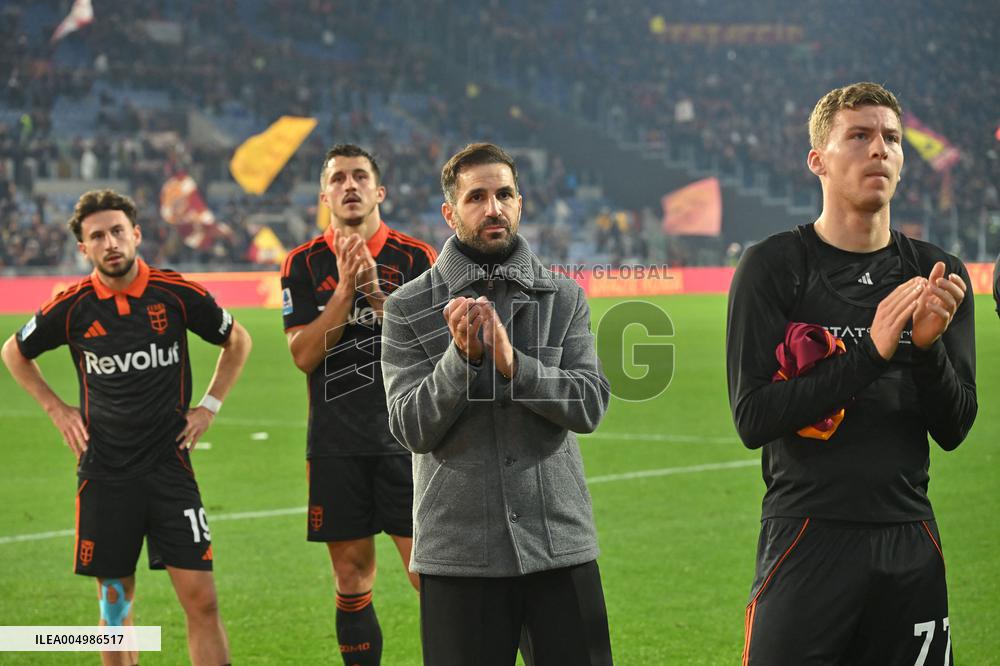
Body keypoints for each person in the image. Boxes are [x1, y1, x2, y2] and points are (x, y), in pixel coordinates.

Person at [726, 82, 977, 665]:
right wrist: (872, 353)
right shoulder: (774, 266)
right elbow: (752, 417)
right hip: (807, 535)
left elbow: (956, 425)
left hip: (910, 538)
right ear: (818, 158)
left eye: (891, 137)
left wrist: (926, 349)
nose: (879, 149)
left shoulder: (936, 274)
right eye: (859, 135)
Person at [381, 142, 614, 665]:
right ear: (449, 212)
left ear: (521, 202)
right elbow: (411, 426)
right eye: (476, 197)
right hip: (459, 555)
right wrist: (460, 361)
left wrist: (515, 366)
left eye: (504, 194)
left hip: (559, 543)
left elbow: (590, 405)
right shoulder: (408, 306)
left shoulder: (564, 296)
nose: (494, 208)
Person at [1, 189, 252, 666]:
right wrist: (57, 409)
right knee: (115, 613)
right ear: (83, 249)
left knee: (202, 600)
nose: (110, 242)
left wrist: (209, 407)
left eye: (118, 231)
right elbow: (14, 351)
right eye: (97, 236)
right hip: (105, 477)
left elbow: (237, 339)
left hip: (169, 472)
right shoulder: (71, 306)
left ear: (136, 234)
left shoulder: (177, 294)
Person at [280, 144, 436, 665]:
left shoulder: (416, 259)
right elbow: (303, 355)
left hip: (406, 440)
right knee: (351, 577)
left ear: (379, 191)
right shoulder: (302, 264)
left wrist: (376, 298)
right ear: (324, 195)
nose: (350, 185)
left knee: (431, 576)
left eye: (360, 176)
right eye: (339, 179)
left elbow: (433, 348)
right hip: (335, 444)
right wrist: (346, 292)